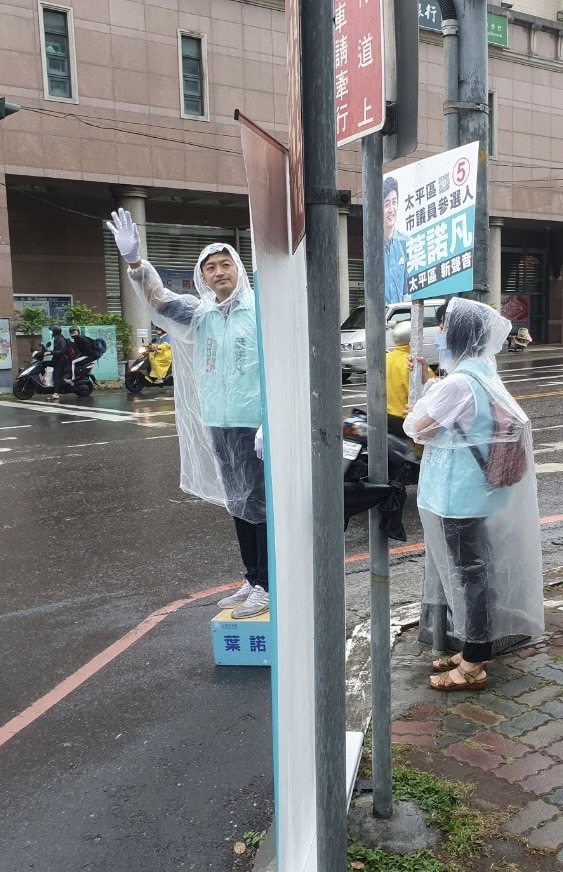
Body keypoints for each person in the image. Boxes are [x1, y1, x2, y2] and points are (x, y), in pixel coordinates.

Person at [107, 208, 268, 619]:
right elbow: (159, 300)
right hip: (220, 421)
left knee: (262, 505)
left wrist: (273, 420)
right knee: (238, 503)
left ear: (238, 269)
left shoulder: (262, 313)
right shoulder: (202, 314)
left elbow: (282, 366)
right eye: (210, 267)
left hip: (255, 425)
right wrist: (135, 263)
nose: (218, 272)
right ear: (203, 277)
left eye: (224, 264)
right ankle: (252, 578)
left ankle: (269, 583)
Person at [403, 297, 544, 692]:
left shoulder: (460, 383)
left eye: (445, 326)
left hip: (457, 495)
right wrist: (432, 388)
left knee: (470, 574)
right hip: (479, 492)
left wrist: (421, 406)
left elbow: (416, 428)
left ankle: (474, 662)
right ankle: (473, 645)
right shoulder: (480, 373)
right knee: (477, 570)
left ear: (460, 333)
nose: (441, 334)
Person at [386, 321, 434, 439]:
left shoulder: (386, 359)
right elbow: (432, 397)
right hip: (407, 421)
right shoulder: (416, 365)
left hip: (387, 418)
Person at [383, 176, 409, 305]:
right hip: (379, 317)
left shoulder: (406, 243)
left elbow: (408, 291)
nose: (391, 209)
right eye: (387, 204)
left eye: (394, 202)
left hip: (402, 316)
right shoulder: (372, 248)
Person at [45, 325, 68, 400]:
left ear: (55, 331)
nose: (50, 332)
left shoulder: (61, 339)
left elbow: (62, 351)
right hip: (56, 360)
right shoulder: (56, 338)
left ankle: (56, 393)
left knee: (56, 375)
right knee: (44, 364)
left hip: (61, 360)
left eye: (51, 331)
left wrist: (50, 353)